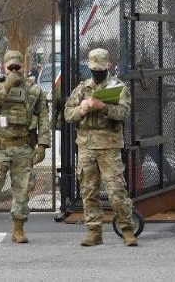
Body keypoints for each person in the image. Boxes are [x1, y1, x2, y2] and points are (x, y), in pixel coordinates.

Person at [0, 50, 51, 245]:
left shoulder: (34, 90)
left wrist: (42, 145)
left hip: (23, 146)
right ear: (4, 67)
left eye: (18, 67)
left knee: (23, 190)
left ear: (23, 67)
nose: (15, 70)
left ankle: (18, 229)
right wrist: (7, 85)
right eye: (11, 67)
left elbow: (43, 118)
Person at [64, 48, 138, 247]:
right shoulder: (82, 88)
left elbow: (123, 112)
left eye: (101, 68)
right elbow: (67, 114)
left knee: (116, 190)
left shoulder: (118, 87)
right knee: (88, 191)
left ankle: (127, 230)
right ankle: (94, 231)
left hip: (109, 146)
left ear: (108, 66)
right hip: (86, 146)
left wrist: (104, 107)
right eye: (94, 68)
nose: (97, 71)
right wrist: (83, 108)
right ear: (89, 67)